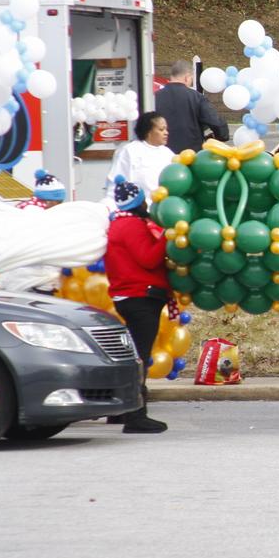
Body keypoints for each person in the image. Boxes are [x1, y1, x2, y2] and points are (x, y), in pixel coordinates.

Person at [104, 175, 170, 434]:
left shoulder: (119, 224)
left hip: (130, 296)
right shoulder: (132, 225)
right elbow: (149, 258)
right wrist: (167, 236)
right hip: (140, 297)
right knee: (140, 357)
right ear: (138, 203)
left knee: (132, 355)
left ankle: (122, 409)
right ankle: (135, 416)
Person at [155, 59, 229, 153]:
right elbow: (216, 122)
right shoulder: (197, 98)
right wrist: (220, 137)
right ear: (187, 77)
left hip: (162, 153)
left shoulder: (155, 97)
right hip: (190, 156)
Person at [105, 111, 175, 204]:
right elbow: (115, 182)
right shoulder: (129, 151)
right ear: (148, 131)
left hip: (163, 207)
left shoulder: (168, 153)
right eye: (161, 129)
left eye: (166, 129)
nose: (166, 133)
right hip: (138, 207)